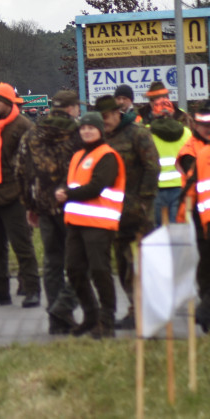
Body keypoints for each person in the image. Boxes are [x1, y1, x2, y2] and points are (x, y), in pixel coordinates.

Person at [15, 90, 82, 334]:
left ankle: (56, 319)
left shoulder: (33, 133)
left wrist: (29, 206)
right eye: (76, 107)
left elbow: (21, 172)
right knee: (80, 261)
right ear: (72, 108)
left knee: (52, 262)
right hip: (74, 206)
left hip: (44, 207)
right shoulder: (78, 134)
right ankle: (64, 309)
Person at [55, 112, 124, 339]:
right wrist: (64, 190)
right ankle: (91, 316)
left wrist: (68, 193)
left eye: (91, 128)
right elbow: (73, 183)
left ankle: (107, 321)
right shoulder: (78, 155)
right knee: (74, 270)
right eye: (83, 128)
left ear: (100, 131)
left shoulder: (108, 155)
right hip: (76, 222)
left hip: (99, 223)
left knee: (100, 271)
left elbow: (97, 186)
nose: (86, 131)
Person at [93, 94, 159, 330]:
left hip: (138, 212)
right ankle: (134, 307)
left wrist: (144, 200)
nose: (105, 121)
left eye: (108, 116)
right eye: (101, 118)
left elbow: (152, 167)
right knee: (121, 264)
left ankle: (145, 311)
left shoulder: (137, 133)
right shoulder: (100, 138)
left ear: (117, 113)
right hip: (112, 213)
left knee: (140, 264)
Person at [0, 83, 41, 308]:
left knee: (22, 246)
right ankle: (0, 291)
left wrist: (29, 198)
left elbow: (31, 165)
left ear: (8, 102)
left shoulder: (23, 126)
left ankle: (32, 290)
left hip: (14, 196)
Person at [175, 101, 210, 332]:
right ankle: (206, 307)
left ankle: (205, 310)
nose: (206, 128)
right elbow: (191, 184)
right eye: (202, 124)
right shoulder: (191, 150)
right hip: (201, 217)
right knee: (205, 267)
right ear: (195, 124)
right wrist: (181, 215)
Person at [144, 81, 191, 228]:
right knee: (178, 228)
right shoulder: (186, 131)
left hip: (156, 187)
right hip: (180, 185)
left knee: (159, 231)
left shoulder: (146, 132)